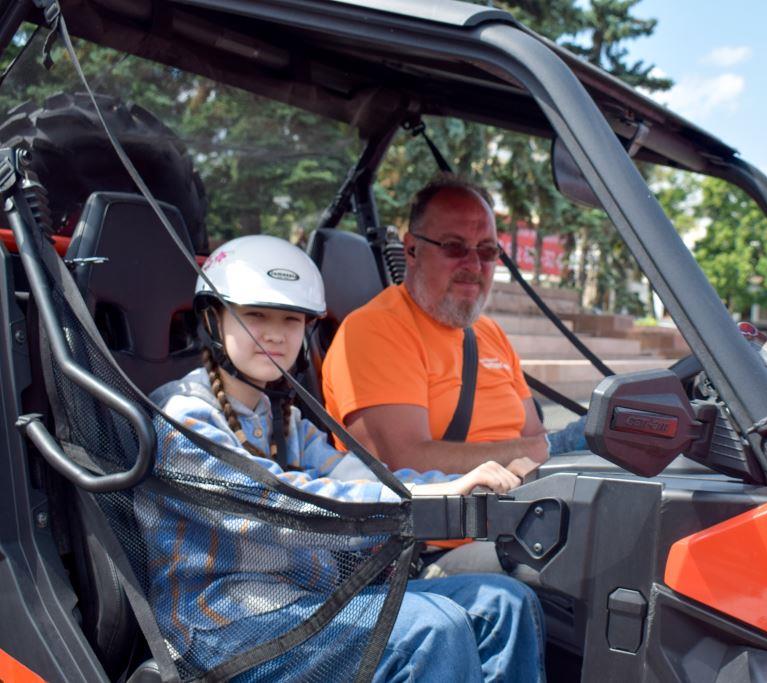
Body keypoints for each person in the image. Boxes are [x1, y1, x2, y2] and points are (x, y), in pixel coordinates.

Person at [138, 234, 545, 682]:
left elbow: (361, 476)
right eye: (254, 315)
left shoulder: (285, 419)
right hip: (226, 625)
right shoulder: (182, 417)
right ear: (214, 320)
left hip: (310, 602)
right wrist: (425, 496)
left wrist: (474, 483)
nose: (275, 334)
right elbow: (286, 504)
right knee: (432, 629)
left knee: (505, 603)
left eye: (291, 320)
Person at [322, 175, 584, 481]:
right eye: (454, 247)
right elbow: (403, 461)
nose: (474, 266)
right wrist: (553, 447)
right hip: (450, 520)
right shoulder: (374, 330)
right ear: (411, 250)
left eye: (487, 251)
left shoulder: (490, 333)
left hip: (523, 504)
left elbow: (535, 436)